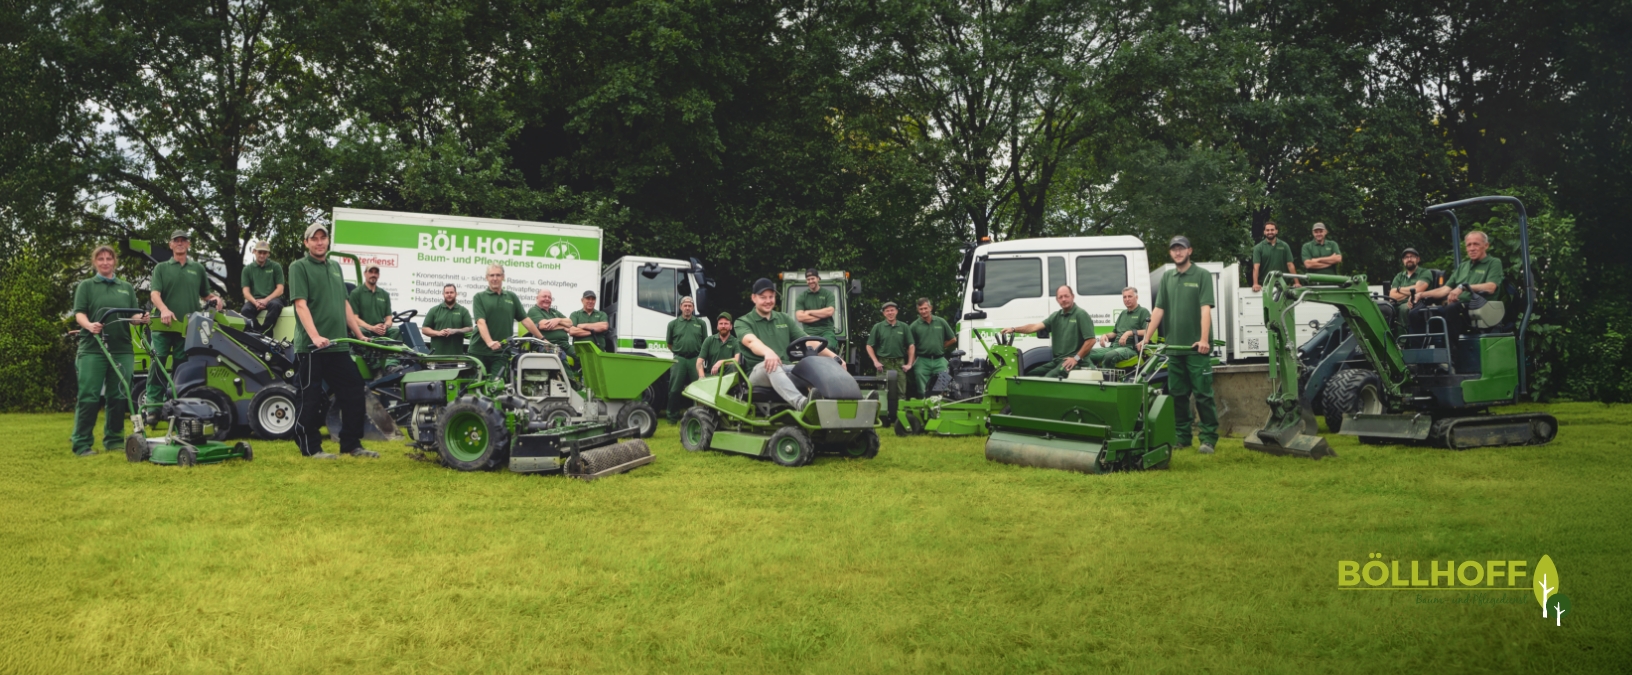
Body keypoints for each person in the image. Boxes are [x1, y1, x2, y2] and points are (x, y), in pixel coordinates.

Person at [288, 222, 376, 459]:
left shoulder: (336, 267)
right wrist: (315, 336)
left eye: (322, 238)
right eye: (314, 239)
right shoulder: (299, 267)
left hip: (338, 345)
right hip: (311, 348)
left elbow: (344, 304)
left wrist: (358, 334)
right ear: (306, 243)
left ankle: (350, 443)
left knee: (354, 389)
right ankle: (311, 447)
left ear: (328, 241)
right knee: (310, 397)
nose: (319, 242)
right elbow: (300, 304)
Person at [1140, 235, 1218, 454]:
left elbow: (1205, 309)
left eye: (1181, 249)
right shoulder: (1167, 278)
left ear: (1189, 251)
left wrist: (1204, 340)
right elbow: (1159, 310)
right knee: (1178, 395)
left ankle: (1209, 438)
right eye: (1174, 249)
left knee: (1203, 394)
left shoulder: (1201, 275)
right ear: (1171, 253)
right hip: (1174, 348)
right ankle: (1182, 437)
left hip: (1195, 349)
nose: (1178, 252)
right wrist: (1147, 337)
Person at [70, 245, 147, 456]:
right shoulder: (86, 286)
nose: (105, 262)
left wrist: (143, 318)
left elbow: (133, 316)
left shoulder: (126, 287)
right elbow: (79, 315)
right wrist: (89, 325)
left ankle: (113, 440)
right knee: (89, 395)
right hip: (92, 349)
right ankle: (81, 443)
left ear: (115, 261)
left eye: (109, 259)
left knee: (119, 395)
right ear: (95, 262)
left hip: (122, 348)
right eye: (101, 259)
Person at [143, 230, 224, 410]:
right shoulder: (161, 268)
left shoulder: (197, 269)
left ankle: (178, 407)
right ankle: (152, 408)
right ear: (170, 245)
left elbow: (206, 294)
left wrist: (216, 298)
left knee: (182, 367)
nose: (180, 243)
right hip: (163, 326)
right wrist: (164, 309)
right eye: (176, 241)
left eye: (183, 240)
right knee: (159, 363)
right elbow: (154, 294)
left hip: (186, 328)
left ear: (188, 244)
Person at [736, 277, 840, 410]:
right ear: (754, 298)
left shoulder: (784, 319)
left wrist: (835, 358)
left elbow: (809, 340)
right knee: (772, 365)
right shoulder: (743, 321)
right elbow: (751, 341)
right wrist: (768, 352)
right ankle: (802, 404)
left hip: (785, 369)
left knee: (814, 368)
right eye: (763, 297)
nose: (768, 301)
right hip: (758, 373)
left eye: (771, 297)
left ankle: (841, 403)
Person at [1408, 231, 1504, 340]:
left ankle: (1452, 353)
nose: (1472, 248)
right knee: (1418, 313)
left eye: (1476, 244)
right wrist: (1420, 294)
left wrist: (1463, 287)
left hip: (1478, 307)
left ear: (1486, 246)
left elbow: (1491, 287)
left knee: (1452, 308)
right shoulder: (1463, 266)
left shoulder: (1493, 263)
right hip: (1458, 308)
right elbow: (1444, 290)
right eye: (1469, 245)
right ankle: (1422, 350)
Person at [1002, 285, 1095, 377]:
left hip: (1076, 363)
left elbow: (1091, 340)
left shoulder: (1080, 314)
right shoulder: (1056, 316)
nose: (1063, 299)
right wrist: (1014, 329)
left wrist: (1076, 358)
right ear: (1057, 300)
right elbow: (1034, 327)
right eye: (1060, 297)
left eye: (1066, 296)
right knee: (1029, 375)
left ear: (1072, 297)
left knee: (1048, 379)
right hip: (1058, 361)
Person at [469, 264, 543, 375]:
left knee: (497, 386)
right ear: (487, 277)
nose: (495, 278)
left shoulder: (511, 297)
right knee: (475, 387)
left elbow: (525, 320)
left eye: (498, 275)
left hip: (501, 352)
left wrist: (542, 339)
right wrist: (489, 342)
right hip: (479, 351)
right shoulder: (479, 297)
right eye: (492, 275)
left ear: (503, 277)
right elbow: (480, 322)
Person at [665, 296, 708, 422]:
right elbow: (669, 343)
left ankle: (701, 416)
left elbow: (705, 343)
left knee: (700, 389)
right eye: (685, 305)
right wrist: (679, 353)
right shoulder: (673, 324)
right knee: (674, 389)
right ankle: (672, 417)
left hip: (696, 359)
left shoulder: (701, 324)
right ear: (681, 307)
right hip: (680, 359)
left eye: (690, 306)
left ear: (693, 308)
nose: (687, 308)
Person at [1088, 287, 1150, 367]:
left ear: (1136, 297)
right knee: (1087, 354)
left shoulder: (1143, 312)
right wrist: (1105, 335)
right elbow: (1115, 333)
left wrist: (1129, 333)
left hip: (1130, 348)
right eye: (1124, 297)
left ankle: (1107, 378)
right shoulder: (1123, 313)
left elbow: (1147, 332)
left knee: (1110, 355)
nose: (1127, 299)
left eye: (1129, 296)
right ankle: (1094, 376)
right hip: (1114, 347)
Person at [907, 297, 956, 395]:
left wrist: (941, 346)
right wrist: (912, 362)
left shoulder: (941, 322)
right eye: (921, 309)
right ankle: (925, 408)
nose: (924, 311)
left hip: (940, 359)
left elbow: (953, 339)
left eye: (925, 308)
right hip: (922, 360)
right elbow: (910, 345)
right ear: (918, 310)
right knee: (923, 390)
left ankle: (940, 407)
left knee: (943, 386)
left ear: (930, 308)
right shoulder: (914, 326)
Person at [866, 301, 912, 405]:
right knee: (882, 392)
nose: (890, 313)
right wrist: (875, 361)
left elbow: (911, 345)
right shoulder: (878, 327)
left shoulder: (904, 327)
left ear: (896, 312)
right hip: (883, 364)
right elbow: (869, 345)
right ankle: (883, 417)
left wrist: (909, 364)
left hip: (900, 363)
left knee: (901, 392)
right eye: (887, 311)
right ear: (884, 313)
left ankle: (900, 417)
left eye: (892, 310)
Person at [239, 240, 285, 333]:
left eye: (265, 253)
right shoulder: (247, 269)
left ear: (268, 254)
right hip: (254, 299)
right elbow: (246, 291)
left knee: (276, 305)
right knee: (245, 310)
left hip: (272, 298)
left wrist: (266, 300)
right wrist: (255, 302)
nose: (262, 255)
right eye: (260, 252)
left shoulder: (275, 266)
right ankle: (259, 332)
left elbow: (280, 289)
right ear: (254, 251)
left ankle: (265, 331)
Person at [348, 264, 398, 340]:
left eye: (376, 273)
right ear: (365, 273)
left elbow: (389, 319)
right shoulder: (356, 293)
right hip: (365, 328)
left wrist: (385, 326)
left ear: (378, 275)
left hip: (380, 329)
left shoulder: (384, 294)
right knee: (360, 331)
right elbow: (354, 318)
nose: (373, 275)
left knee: (397, 331)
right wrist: (372, 328)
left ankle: (389, 352)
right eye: (370, 272)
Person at [422, 284, 473, 356]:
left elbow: (470, 328)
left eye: (451, 292)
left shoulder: (463, 311)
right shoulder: (434, 310)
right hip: (436, 355)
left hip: (456, 356)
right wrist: (438, 333)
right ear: (443, 294)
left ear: (456, 294)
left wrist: (455, 331)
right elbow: (424, 329)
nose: (449, 295)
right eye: (447, 293)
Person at [526, 289, 576, 360]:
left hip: (564, 344)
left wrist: (558, 320)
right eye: (544, 296)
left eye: (549, 297)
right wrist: (563, 326)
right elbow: (544, 325)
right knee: (560, 355)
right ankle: (567, 371)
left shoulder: (554, 312)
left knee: (582, 355)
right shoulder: (533, 310)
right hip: (546, 344)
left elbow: (570, 322)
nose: (547, 299)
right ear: (537, 298)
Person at [794, 268, 838, 343]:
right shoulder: (802, 297)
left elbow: (829, 312)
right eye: (808, 279)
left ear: (818, 279)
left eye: (812, 278)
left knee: (829, 346)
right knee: (804, 349)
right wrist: (822, 315)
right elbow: (800, 317)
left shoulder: (828, 294)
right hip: (808, 333)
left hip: (826, 331)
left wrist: (809, 312)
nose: (810, 281)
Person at [1251, 221, 1298, 292]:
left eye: (1272, 230)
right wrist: (1255, 284)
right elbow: (1256, 267)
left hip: (1282, 285)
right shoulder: (1258, 248)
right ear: (1264, 232)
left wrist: (1297, 283)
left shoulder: (1284, 246)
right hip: (1265, 286)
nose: (1270, 232)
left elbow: (1290, 265)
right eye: (1267, 230)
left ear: (1276, 231)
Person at [697, 312, 740, 378]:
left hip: (729, 378)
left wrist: (721, 362)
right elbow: (699, 361)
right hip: (712, 376)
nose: (723, 326)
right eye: (721, 323)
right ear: (717, 326)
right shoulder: (709, 340)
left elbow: (738, 359)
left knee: (733, 365)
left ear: (731, 326)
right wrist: (701, 376)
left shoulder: (736, 342)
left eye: (726, 324)